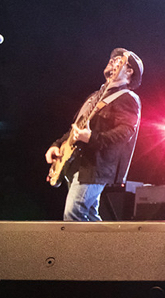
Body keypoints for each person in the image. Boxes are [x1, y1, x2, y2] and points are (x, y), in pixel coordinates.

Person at [45, 48, 143, 222]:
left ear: (129, 71)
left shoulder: (127, 98)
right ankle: (107, 249)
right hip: (77, 162)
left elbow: (126, 131)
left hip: (96, 166)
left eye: (119, 60)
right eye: (112, 59)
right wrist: (56, 144)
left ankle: (80, 250)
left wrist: (91, 138)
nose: (113, 61)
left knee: (73, 214)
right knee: (90, 217)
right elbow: (75, 128)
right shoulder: (94, 97)